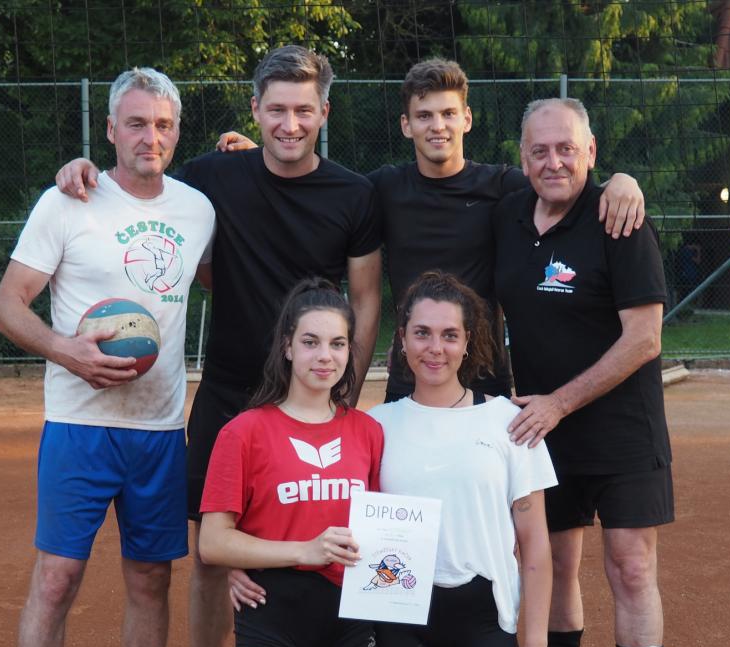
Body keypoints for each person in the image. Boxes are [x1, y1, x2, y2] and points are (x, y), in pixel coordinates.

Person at [54, 47, 382, 647]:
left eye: (304, 110)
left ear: (324, 113)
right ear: (255, 111)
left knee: (320, 536)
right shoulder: (212, 176)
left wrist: (343, 397)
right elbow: (138, 181)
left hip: (315, 399)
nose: (290, 124)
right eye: (276, 109)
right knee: (209, 549)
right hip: (231, 393)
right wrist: (80, 169)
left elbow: (364, 298)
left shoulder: (354, 194)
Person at [0, 68, 216, 647]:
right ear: (111, 129)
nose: (151, 137)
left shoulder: (198, 209)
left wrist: (243, 161)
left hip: (159, 429)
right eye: (136, 123)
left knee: (151, 580)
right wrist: (67, 351)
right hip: (79, 427)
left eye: (163, 125)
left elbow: (222, 280)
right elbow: (7, 305)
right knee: (57, 580)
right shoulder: (68, 201)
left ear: (176, 132)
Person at [217, 58, 647, 403]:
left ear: (467, 119)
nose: (437, 126)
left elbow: (562, 180)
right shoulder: (383, 188)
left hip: (485, 383)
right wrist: (265, 154)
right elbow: (324, 186)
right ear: (406, 125)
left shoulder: (504, 187)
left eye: (447, 114)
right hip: (409, 382)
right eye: (424, 115)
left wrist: (620, 181)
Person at [493, 98, 672, 647]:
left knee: (631, 565)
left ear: (591, 152)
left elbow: (645, 338)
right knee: (555, 564)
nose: (554, 162)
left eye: (567, 148)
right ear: (521, 159)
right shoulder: (507, 217)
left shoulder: (618, 217)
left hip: (619, 426)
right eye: (539, 150)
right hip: (543, 428)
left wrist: (561, 403)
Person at [197, 278, 399, 647]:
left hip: (346, 619)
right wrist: (297, 551)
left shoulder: (367, 431)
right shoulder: (244, 431)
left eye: (337, 343)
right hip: (273, 614)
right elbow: (213, 542)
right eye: (310, 342)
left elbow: (380, 529)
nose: (324, 356)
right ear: (286, 346)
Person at [368, 271, 555, 647]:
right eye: (422, 333)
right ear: (402, 340)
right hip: (403, 618)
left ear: (469, 342)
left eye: (450, 335)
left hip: (481, 620)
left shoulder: (507, 423)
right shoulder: (374, 426)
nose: (436, 348)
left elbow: (535, 548)